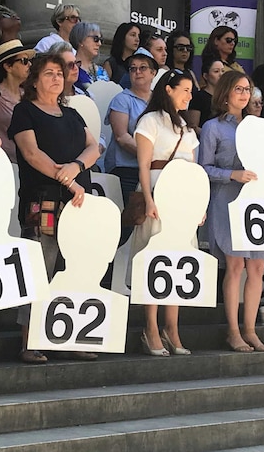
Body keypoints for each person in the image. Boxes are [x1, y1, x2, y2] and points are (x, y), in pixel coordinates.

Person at [8, 54, 97, 363]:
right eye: (49, 73)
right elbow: (32, 154)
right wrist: (68, 179)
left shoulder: (72, 114)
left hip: (77, 203)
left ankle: (69, 335)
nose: (57, 78)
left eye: (60, 73)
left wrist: (76, 166)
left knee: (73, 268)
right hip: (42, 199)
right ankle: (30, 340)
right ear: (34, 80)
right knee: (39, 267)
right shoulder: (25, 111)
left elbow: (95, 146)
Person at [199, 71, 264, 352]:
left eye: (248, 89)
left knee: (257, 266)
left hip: (257, 202)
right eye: (239, 89)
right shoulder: (212, 127)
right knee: (235, 265)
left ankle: (251, 329)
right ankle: (233, 331)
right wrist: (232, 174)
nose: (244, 94)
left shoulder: (258, 127)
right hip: (227, 200)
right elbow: (204, 168)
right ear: (226, 93)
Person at [130, 69, 199, 356]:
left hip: (183, 201)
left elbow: (194, 170)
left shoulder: (185, 126)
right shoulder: (150, 121)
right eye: (184, 90)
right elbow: (144, 164)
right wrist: (148, 198)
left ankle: (172, 327)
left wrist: (197, 205)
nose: (189, 96)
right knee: (155, 260)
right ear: (168, 89)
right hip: (158, 193)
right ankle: (151, 327)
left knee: (178, 262)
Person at [104, 53, 155, 208]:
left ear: (153, 73)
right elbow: (122, 137)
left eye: (143, 68)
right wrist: (150, 156)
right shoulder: (122, 99)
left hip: (152, 169)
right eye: (133, 69)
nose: (137, 72)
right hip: (126, 170)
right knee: (129, 221)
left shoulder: (159, 101)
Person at [0, 39, 36, 163]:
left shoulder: (27, 94)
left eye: (29, 61)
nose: (29, 65)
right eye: (24, 61)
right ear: (8, 66)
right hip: (2, 162)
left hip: (28, 162)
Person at [186, 59, 224, 132]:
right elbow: (193, 127)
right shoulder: (199, 97)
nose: (221, 74)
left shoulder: (226, 96)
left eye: (223, 71)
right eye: (216, 71)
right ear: (206, 76)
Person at [69, 21, 107, 87]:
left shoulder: (101, 71)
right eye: (96, 39)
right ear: (80, 40)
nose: (99, 44)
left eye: (101, 40)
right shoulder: (69, 69)